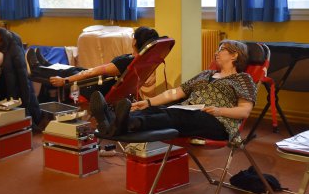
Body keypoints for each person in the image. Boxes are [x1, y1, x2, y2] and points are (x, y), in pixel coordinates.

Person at [90, 39, 257, 141]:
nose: (216, 53)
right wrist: (148, 102)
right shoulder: (206, 73)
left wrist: (220, 111)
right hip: (190, 113)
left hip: (218, 123)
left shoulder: (243, 79)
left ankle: (125, 123)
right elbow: (176, 92)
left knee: (177, 114)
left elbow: (244, 111)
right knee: (158, 109)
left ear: (235, 55)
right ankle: (112, 121)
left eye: (221, 50)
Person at [26, 26, 160, 99]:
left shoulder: (126, 62)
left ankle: (37, 69)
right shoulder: (143, 60)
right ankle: (47, 66)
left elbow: (93, 72)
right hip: (106, 83)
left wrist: (66, 81)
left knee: (73, 72)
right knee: (77, 69)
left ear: (135, 41)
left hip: (97, 88)